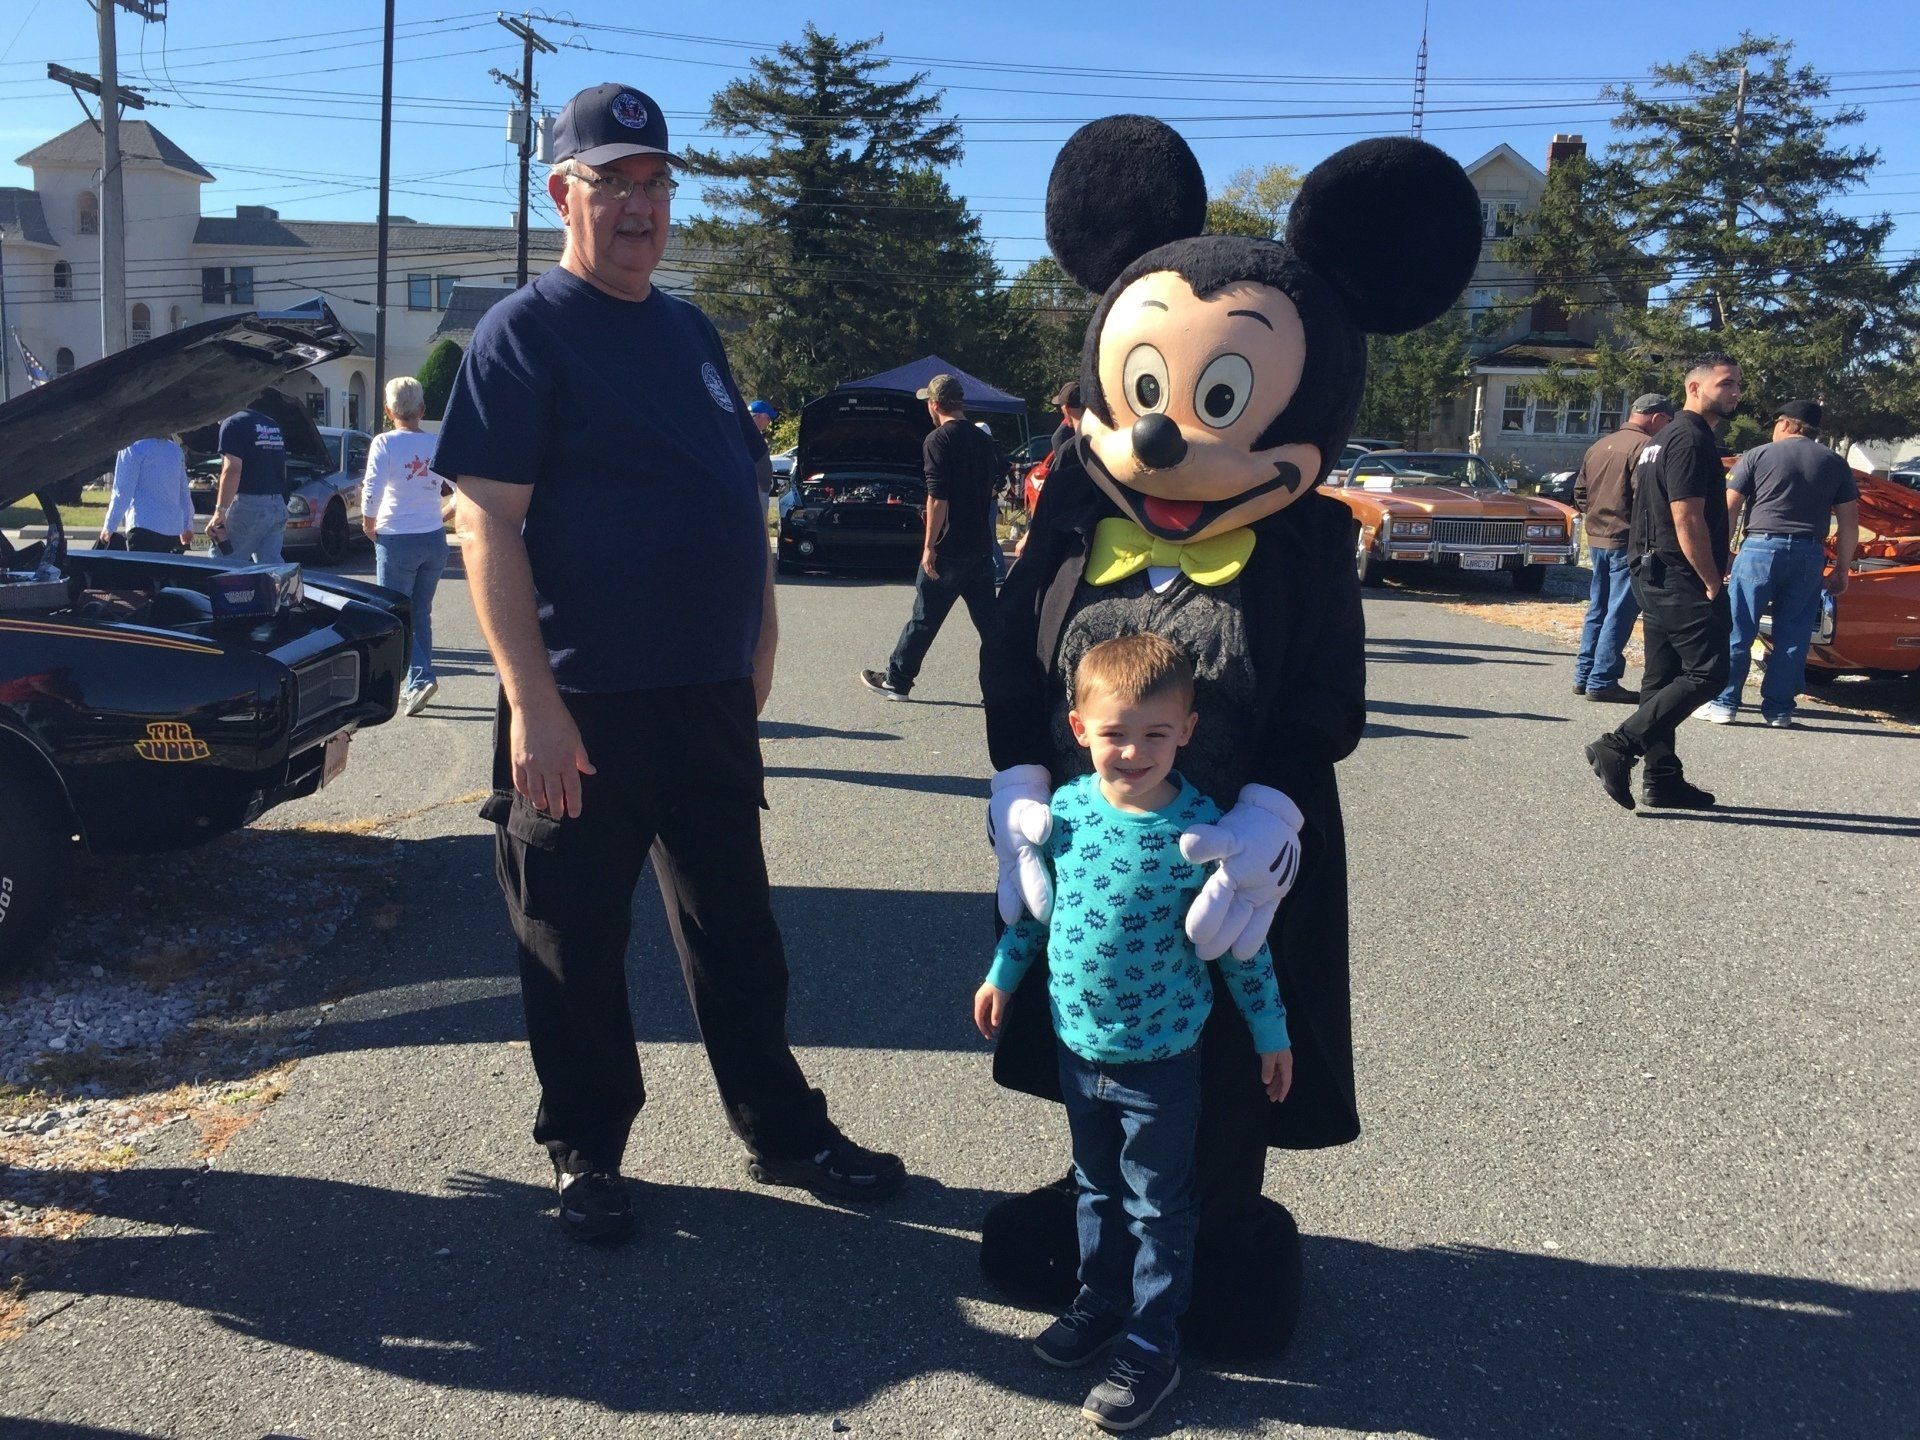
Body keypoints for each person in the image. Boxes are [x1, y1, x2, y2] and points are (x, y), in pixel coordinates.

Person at [434, 80, 905, 1244]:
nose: (641, 205)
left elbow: (738, 496)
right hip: (580, 701)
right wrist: (532, 703)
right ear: (562, 192)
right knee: (574, 943)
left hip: (704, 697)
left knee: (738, 932)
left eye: (655, 181)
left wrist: (765, 634)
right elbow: (485, 521)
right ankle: (586, 1149)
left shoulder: (690, 332)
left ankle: (782, 1130)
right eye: (613, 182)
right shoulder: (522, 333)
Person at [973, 634, 1290, 1434]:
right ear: (1078, 728)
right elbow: (1036, 914)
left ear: (1187, 730)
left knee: (1156, 1207)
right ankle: (1098, 1301)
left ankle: (1152, 1345)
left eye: (1156, 733)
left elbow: (1243, 950)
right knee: (1093, 1188)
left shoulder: (1207, 833)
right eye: (1116, 733)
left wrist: (1271, 1034)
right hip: (1077, 1050)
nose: (1135, 751)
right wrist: (1001, 977)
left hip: (1163, 1064)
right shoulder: (1068, 813)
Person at [1586, 356, 1742, 812]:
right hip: (1678, 575)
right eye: (1726, 383)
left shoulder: (1662, 439)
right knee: (1710, 670)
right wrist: (1711, 578)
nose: (1735, 392)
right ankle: (1619, 746)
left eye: (1738, 385)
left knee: (1662, 678)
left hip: (1651, 570)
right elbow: (1685, 514)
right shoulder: (1691, 437)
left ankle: (1663, 778)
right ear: (1693, 387)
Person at [1702, 399, 1860, 727]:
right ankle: (1779, 710)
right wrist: (1842, 568)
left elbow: (1729, 505)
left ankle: (1725, 702)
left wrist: (1723, 553)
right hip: (1808, 553)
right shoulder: (1834, 462)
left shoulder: (1757, 455)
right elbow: (1849, 521)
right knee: (1793, 633)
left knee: (1738, 627)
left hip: (1760, 547)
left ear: (1786, 424)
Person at [859, 373, 1001, 700]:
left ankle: (897, 681)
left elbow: (937, 498)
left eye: (928, 403)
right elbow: (995, 487)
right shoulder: (984, 441)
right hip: (979, 546)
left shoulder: (938, 440)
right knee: (992, 627)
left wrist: (928, 547)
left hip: (948, 547)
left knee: (924, 618)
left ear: (935, 404)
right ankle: (1002, 689)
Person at [1571, 394, 1673, 702]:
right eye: (1666, 423)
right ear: (1656, 418)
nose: (1665, 430)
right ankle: (1602, 680)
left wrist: (1599, 516)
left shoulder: (1600, 445)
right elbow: (1645, 496)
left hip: (1599, 537)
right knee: (1620, 610)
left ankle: (1584, 674)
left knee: (1598, 608)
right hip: (1626, 539)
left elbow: (1579, 492)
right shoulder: (1643, 447)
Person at [360, 376, 452, 716]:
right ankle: (417, 680)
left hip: (396, 536)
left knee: (395, 614)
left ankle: (419, 677)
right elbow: (460, 486)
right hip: (432, 536)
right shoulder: (437, 443)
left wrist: (368, 522)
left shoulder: (384, 443)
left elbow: (373, 487)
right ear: (422, 410)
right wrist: (443, 513)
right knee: (420, 612)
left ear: (388, 411)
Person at [206, 398, 289, 564]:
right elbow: (282, 467)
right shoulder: (271, 424)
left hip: (248, 505)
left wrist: (220, 512)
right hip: (276, 504)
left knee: (222, 563)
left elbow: (232, 470)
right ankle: (279, 590)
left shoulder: (232, 424)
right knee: (271, 568)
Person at [100, 434, 194, 554]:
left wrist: (109, 526)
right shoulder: (175, 450)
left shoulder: (133, 448)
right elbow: (183, 492)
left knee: (143, 572)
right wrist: (187, 525)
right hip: (172, 529)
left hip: (144, 526)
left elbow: (122, 491)